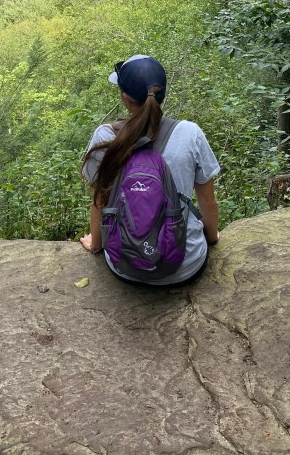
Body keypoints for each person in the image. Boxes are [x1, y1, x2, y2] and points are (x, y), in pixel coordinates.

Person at [79, 54, 220, 286]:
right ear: (162, 93)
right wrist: (211, 238)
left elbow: (100, 202)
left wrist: (96, 244)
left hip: (125, 265)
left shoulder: (105, 137)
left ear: (125, 98)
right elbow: (207, 202)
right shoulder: (190, 133)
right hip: (186, 265)